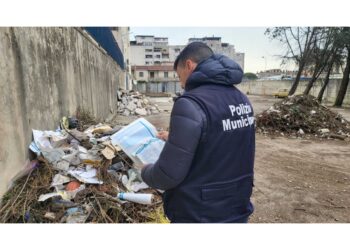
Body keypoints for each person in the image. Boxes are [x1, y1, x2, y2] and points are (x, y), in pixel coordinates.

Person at [141, 42, 255, 223]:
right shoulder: (241, 99)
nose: (181, 83)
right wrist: (176, 138)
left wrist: (144, 170)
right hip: (237, 203)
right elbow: (223, 140)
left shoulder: (191, 103)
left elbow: (167, 175)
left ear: (189, 65)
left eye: (179, 76)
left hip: (200, 211)